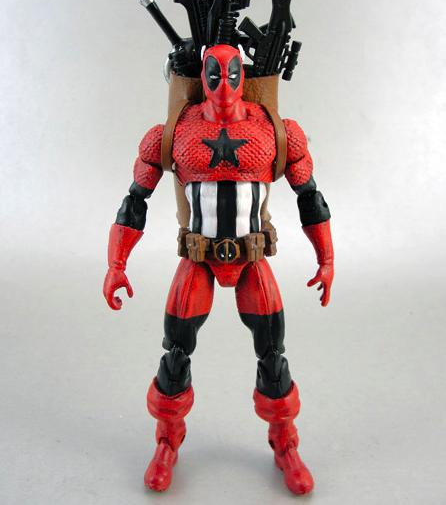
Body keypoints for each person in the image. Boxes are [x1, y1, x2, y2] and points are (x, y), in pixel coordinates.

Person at [103, 43, 334, 495]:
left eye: (232, 74)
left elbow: (310, 196)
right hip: (199, 260)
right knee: (175, 354)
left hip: (252, 260)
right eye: (214, 74)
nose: (223, 86)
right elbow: (135, 200)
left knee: (273, 355)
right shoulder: (175, 132)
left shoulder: (275, 131)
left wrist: (326, 258)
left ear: (243, 77)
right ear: (203, 76)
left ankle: (285, 441)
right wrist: (116, 262)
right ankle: (167, 440)